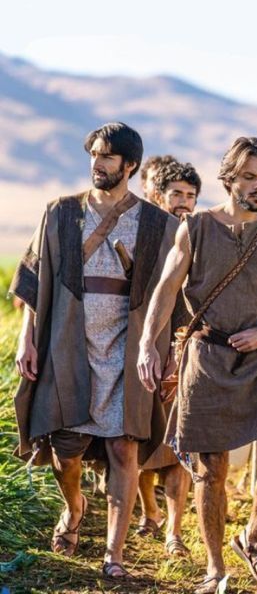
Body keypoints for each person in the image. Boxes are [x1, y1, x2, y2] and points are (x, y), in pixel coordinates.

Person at [138, 137, 257, 593]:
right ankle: (216, 567)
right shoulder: (195, 227)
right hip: (208, 356)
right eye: (249, 177)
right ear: (229, 178)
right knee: (210, 469)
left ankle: (251, 538)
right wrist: (147, 345)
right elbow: (166, 290)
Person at [11, 122, 178, 581]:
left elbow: (174, 293)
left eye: (107, 157)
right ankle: (75, 505)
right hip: (68, 343)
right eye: (94, 155)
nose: (98, 164)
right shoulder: (60, 213)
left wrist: (168, 353)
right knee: (66, 449)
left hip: (128, 351)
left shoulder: (159, 224)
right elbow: (32, 278)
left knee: (126, 449)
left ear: (130, 165)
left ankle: (115, 554)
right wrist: (28, 336)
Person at [137, 159, 202, 555]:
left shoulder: (200, 236)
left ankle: (174, 532)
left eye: (191, 195)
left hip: (186, 349)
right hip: (141, 351)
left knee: (180, 446)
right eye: (177, 193)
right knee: (139, 438)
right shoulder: (140, 234)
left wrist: (184, 351)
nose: (184, 202)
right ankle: (149, 511)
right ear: (158, 194)